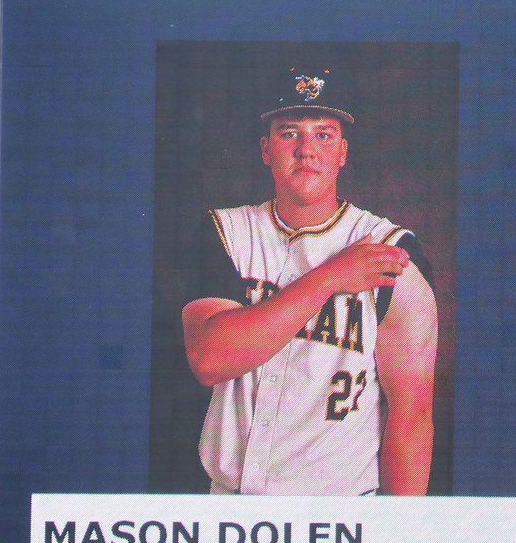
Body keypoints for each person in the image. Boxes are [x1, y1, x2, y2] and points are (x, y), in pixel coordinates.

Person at [181, 72, 437, 496]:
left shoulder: (391, 250)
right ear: (266, 149)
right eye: (289, 134)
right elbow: (210, 358)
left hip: (342, 512)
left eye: (323, 135)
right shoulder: (226, 231)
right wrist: (332, 277)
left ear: (342, 152)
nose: (307, 151)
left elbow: (411, 416)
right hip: (228, 509)